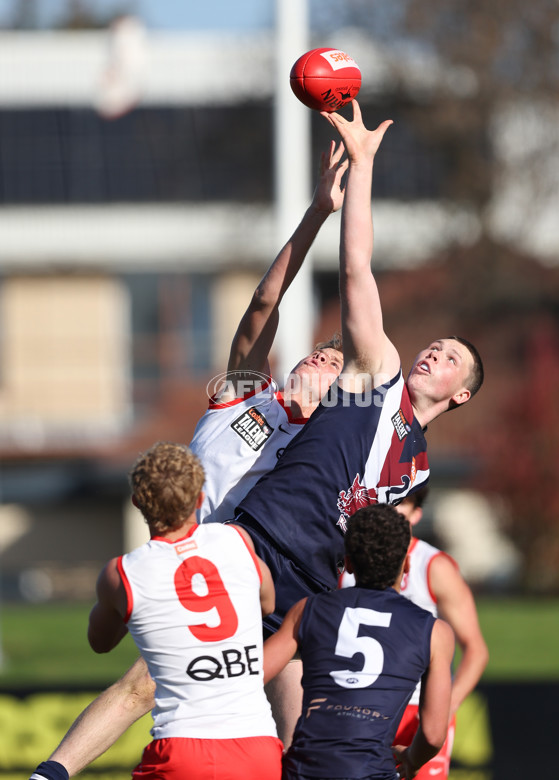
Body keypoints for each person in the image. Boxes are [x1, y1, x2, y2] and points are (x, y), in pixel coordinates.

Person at [30, 103, 484, 778]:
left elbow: (369, 533)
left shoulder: (410, 462)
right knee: (145, 684)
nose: (433, 354)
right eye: (436, 344)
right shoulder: (328, 384)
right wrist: (354, 178)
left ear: (463, 394)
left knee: (295, 719)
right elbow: (343, 277)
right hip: (235, 549)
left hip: (299, 583)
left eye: (450, 358)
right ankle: (53, 770)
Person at [29, 142, 348, 780]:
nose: (322, 357)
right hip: (186, 554)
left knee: (282, 689)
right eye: (321, 350)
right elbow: (263, 306)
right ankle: (52, 772)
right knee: (143, 686)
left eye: (339, 361)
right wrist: (317, 214)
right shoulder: (246, 393)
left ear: (348, 386)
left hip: (246, 565)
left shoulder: (324, 444)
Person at [92, 441, 281, 780]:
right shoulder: (237, 540)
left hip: (183, 748)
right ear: (198, 498)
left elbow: (100, 643)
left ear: (137, 502)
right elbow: (267, 603)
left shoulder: (123, 573)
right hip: (259, 747)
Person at [262, 503, 455, 780]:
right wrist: (411, 760)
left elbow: (250, 676)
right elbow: (434, 735)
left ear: (348, 562)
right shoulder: (435, 632)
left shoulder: (307, 610)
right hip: (371, 772)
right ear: (407, 563)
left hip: (304, 771)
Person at [340, 488, 489, 780]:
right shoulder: (348, 564)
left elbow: (476, 650)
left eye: (400, 504)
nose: (390, 510)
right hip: (359, 705)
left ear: (417, 513)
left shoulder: (433, 566)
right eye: (385, 501)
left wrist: (446, 706)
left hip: (419, 708)